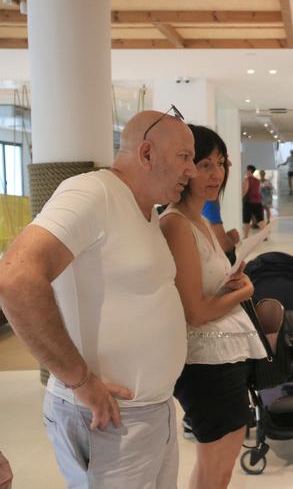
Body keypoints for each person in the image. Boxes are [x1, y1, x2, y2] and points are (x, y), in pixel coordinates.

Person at [0, 109, 196, 487]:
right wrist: (79, 380)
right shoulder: (92, 192)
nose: (191, 171)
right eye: (184, 157)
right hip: (109, 418)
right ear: (147, 154)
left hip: (150, 413)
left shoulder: (146, 212)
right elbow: (16, 277)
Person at [160, 125, 266, 488]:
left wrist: (234, 281)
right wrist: (244, 291)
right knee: (216, 464)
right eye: (204, 164)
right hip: (205, 365)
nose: (216, 174)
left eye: (220, 163)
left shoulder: (201, 221)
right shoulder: (175, 224)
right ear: (185, 168)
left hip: (225, 357)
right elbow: (196, 311)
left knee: (218, 465)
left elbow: (207, 289)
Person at [241, 164, 264, 237]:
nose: (246, 171)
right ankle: (264, 235)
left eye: (247, 170)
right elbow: (258, 191)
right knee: (260, 220)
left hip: (248, 202)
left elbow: (244, 191)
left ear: (249, 171)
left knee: (246, 221)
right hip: (258, 202)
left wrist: (241, 197)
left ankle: (245, 236)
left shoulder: (247, 180)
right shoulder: (257, 181)